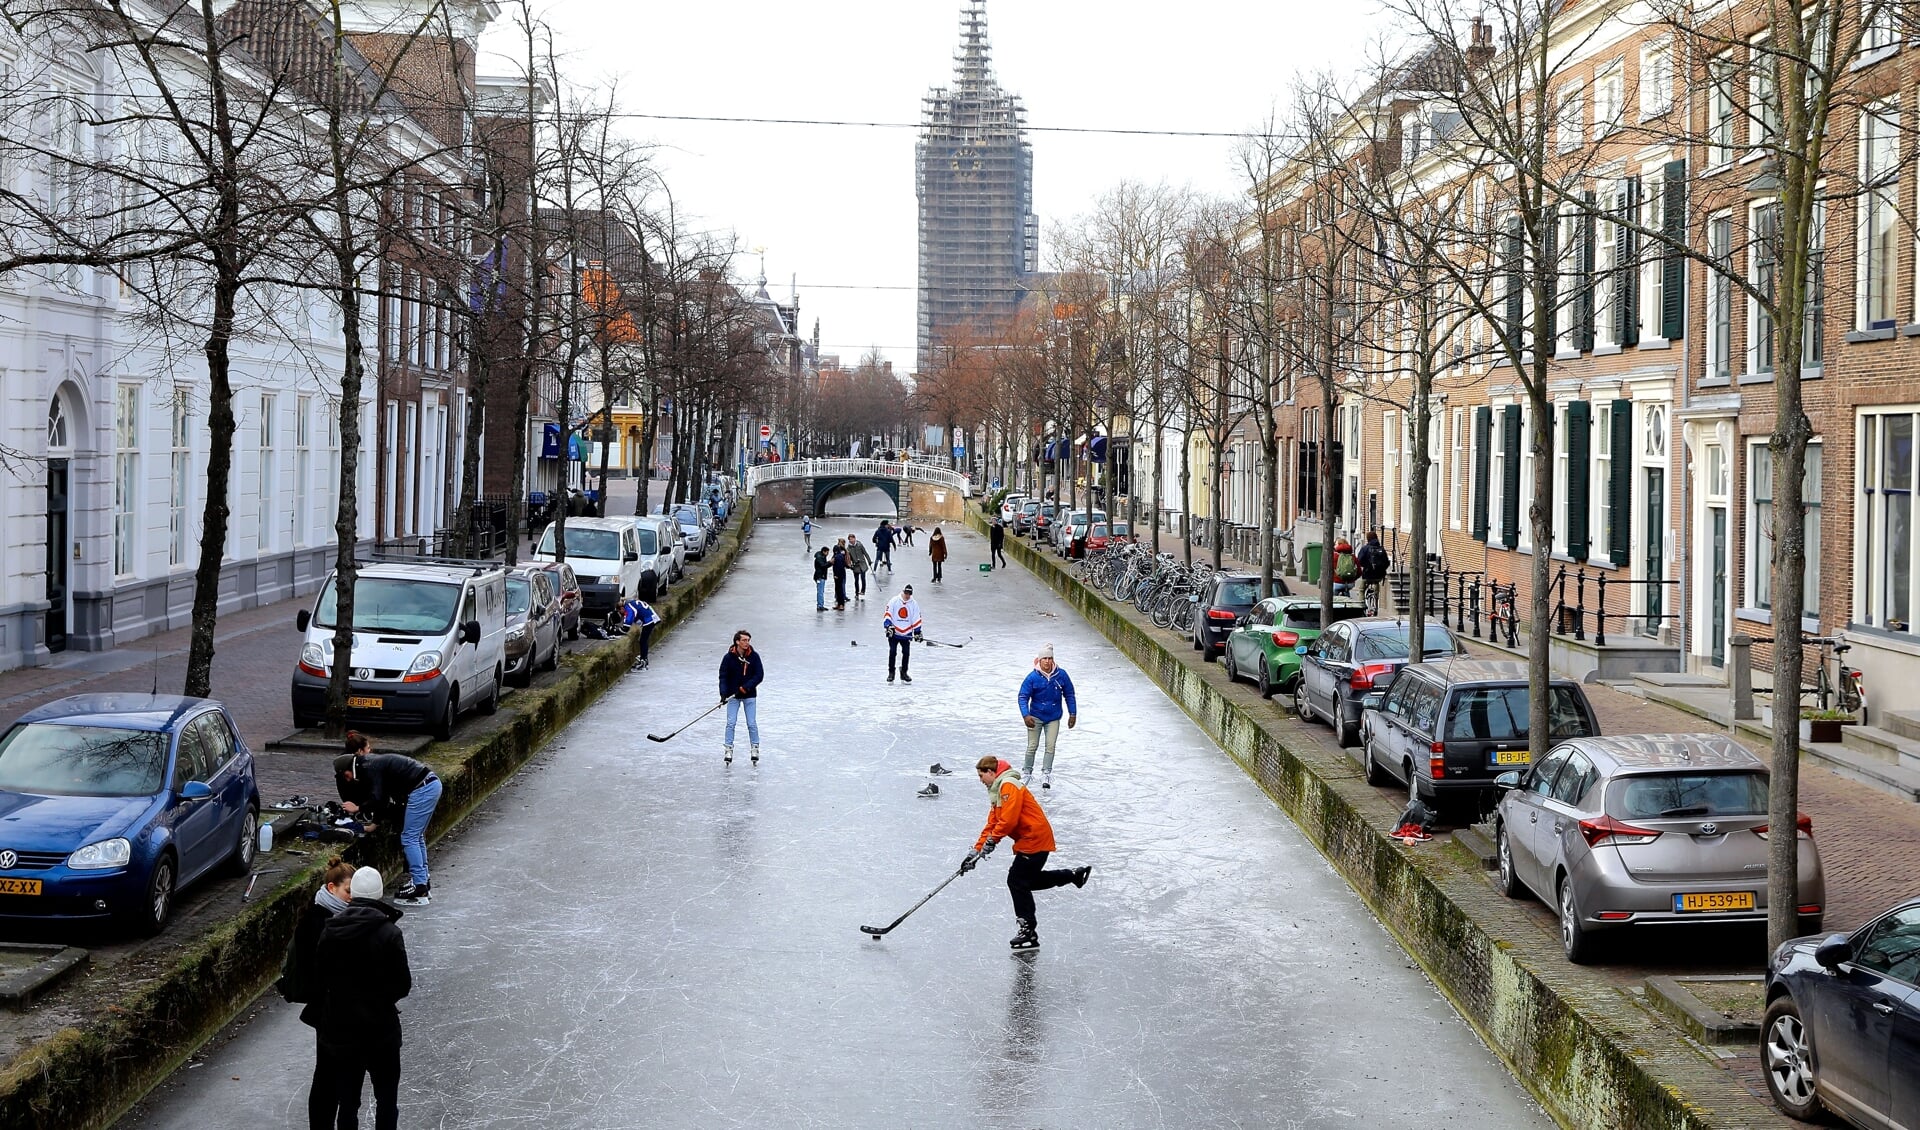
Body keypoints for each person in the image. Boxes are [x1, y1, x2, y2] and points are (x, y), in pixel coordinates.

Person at [314, 865, 411, 1130]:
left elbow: (322, 978)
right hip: (381, 1031)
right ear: (379, 894)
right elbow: (402, 985)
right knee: (387, 1100)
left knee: (347, 1103)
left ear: (353, 893)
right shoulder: (389, 933)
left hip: (341, 1031)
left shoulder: (330, 931)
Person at [962, 755, 1090, 952]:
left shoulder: (1008, 785)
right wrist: (975, 851)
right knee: (1025, 882)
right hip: (1030, 840)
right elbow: (993, 823)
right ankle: (1073, 875)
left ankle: (1028, 928)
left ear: (990, 772)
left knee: (1017, 881)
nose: (980, 780)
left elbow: (1008, 820)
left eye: (981, 776)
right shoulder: (998, 789)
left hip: (1034, 839)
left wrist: (992, 841)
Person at [279, 856, 355, 1130]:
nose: (351, 898)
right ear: (332, 888)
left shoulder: (325, 914)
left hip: (328, 1007)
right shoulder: (319, 921)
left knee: (329, 1074)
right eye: (348, 891)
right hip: (327, 1009)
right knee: (327, 1075)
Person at [333, 735, 440, 904]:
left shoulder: (368, 767)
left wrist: (358, 808)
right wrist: (374, 824)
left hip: (422, 789)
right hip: (429, 784)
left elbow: (378, 797)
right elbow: (383, 799)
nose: (348, 780)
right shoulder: (370, 763)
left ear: (348, 769)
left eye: (345, 776)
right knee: (416, 836)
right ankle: (422, 880)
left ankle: (419, 885)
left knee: (409, 837)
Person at [1017, 644, 1078, 789]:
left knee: (1050, 746)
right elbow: (1023, 696)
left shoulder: (1061, 675)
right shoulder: (1032, 677)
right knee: (1032, 746)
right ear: (1039, 660)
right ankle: (1027, 772)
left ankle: (1046, 772)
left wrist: (1072, 713)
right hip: (1035, 717)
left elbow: (1069, 694)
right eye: (1044, 658)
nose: (1047, 661)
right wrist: (1026, 715)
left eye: (1050, 658)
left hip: (1053, 717)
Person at [718, 629, 764, 764]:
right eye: (744, 640)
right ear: (737, 642)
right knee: (731, 723)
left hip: (749, 695)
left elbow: (759, 675)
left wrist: (746, 687)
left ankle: (755, 747)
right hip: (733, 696)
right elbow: (723, 676)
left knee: (751, 723)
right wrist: (723, 693)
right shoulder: (728, 658)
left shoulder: (754, 657)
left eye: (748, 640)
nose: (747, 643)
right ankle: (728, 749)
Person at [882, 585, 922, 684]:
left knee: (906, 653)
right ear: (903, 592)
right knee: (893, 652)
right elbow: (888, 614)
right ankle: (891, 672)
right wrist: (888, 626)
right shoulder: (894, 601)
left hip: (906, 633)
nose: (907, 596)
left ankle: (904, 672)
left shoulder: (914, 604)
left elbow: (916, 618)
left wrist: (917, 632)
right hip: (894, 633)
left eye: (909, 594)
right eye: (906, 593)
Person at [1356, 530, 1391, 611]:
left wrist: (1365, 566)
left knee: (1361, 589)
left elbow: (1359, 561)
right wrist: (1381, 569)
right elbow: (1386, 562)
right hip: (1379, 575)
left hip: (1367, 574)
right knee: (1376, 583)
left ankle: (1361, 606)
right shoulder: (1381, 549)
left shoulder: (1365, 549)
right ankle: (1376, 600)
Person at [629, 598, 662, 669]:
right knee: (643, 640)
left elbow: (632, 617)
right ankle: (644, 658)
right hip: (652, 618)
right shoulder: (635, 602)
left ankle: (644, 660)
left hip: (649, 621)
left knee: (643, 641)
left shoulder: (629, 606)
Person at [847, 533, 872, 598]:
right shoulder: (848, 548)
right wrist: (850, 565)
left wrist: (869, 561)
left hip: (862, 564)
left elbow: (865, 553)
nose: (851, 541)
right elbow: (848, 558)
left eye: (852, 539)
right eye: (850, 540)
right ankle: (856, 593)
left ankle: (863, 591)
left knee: (863, 578)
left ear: (855, 538)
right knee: (856, 580)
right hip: (855, 565)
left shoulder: (860, 545)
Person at [832, 538, 850, 609]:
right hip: (841, 574)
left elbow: (838, 567)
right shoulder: (840, 555)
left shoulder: (837, 557)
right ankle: (839, 604)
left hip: (838, 575)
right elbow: (845, 564)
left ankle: (841, 604)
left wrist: (836, 575)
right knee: (838, 589)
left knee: (839, 589)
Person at [812, 546, 831, 611]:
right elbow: (823, 566)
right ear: (824, 551)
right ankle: (820, 605)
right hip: (820, 576)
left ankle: (820, 605)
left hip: (820, 576)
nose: (828, 554)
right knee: (820, 591)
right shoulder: (820, 558)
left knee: (820, 591)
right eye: (827, 552)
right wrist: (830, 563)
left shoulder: (821, 556)